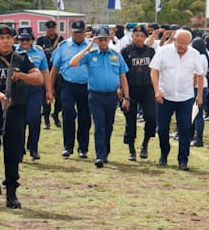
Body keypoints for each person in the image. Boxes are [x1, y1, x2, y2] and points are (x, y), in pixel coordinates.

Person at [0, 26, 43, 208]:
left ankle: (12, 192)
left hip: (16, 111)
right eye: (1, 37)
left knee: (13, 152)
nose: (5, 40)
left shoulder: (21, 58)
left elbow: (38, 79)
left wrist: (20, 75)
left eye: (8, 37)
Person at [69, 25, 130, 167]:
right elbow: (73, 63)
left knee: (108, 125)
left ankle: (105, 151)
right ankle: (100, 156)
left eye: (105, 39)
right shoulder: (90, 55)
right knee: (99, 126)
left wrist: (126, 98)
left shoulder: (116, 55)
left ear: (109, 39)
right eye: (100, 40)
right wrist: (87, 47)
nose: (103, 42)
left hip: (111, 96)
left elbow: (123, 78)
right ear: (96, 40)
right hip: (95, 96)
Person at [150, 29, 206, 171]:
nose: (182, 46)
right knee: (162, 128)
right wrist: (157, 90)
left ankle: (183, 160)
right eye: (180, 43)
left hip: (185, 97)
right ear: (174, 39)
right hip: (165, 96)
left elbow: (200, 75)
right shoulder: (163, 51)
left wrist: (199, 95)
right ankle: (164, 153)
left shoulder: (194, 54)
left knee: (185, 129)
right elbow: (154, 71)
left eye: (186, 43)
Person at [49, 20, 91, 158]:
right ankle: (68, 146)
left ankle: (83, 148)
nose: (79, 35)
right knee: (68, 113)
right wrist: (49, 88)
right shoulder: (63, 46)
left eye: (81, 32)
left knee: (85, 116)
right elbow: (55, 68)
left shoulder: (92, 46)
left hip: (87, 86)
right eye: (76, 32)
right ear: (71, 32)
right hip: (68, 85)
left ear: (85, 32)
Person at [120, 25, 156, 160]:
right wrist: (121, 89)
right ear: (132, 36)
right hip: (131, 89)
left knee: (151, 117)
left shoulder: (151, 52)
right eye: (136, 35)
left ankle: (145, 144)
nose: (139, 38)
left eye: (142, 36)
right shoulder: (125, 51)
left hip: (147, 88)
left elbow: (155, 70)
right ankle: (131, 149)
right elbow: (121, 71)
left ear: (145, 38)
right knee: (130, 120)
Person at [16, 27, 52, 160]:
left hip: (35, 90)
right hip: (18, 90)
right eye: (22, 39)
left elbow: (45, 72)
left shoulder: (39, 52)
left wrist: (49, 90)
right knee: (19, 120)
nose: (25, 42)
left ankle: (33, 148)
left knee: (34, 118)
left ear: (32, 39)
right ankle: (19, 150)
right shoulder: (13, 52)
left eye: (27, 39)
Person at [37, 20, 64, 128]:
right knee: (46, 95)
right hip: (45, 70)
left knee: (60, 96)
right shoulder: (41, 40)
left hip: (58, 71)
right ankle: (46, 119)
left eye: (52, 28)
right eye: (49, 28)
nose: (51, 30)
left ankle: (56, 114)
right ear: (46, 29)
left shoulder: (61, 40)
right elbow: (39, 53)